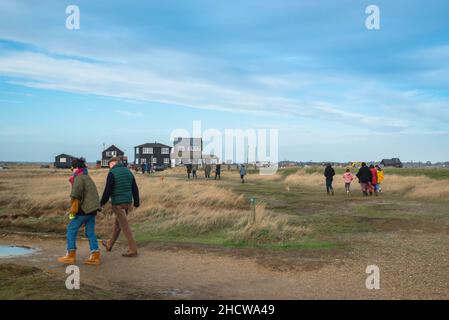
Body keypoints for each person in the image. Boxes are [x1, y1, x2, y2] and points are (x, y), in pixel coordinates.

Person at [58, 158, 101, 265]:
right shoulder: (87, 177)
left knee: (71, 230)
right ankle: (95, 256)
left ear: (75, 168)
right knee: (90, 232)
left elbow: (75, 195)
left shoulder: (79, 178)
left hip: (84, 210)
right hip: (93, 209)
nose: (71, 170)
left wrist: (73, 211)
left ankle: (70, 255)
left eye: (71, 168)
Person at [100, 157, 140, 257]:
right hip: (127, 202)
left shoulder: (112, 173)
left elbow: (107, 190)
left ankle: (133, 249)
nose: (109, 167)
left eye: (109, 165)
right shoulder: (128, 172)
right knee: (118, 225)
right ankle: (109, 244)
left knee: (124, 226)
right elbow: (134, 188)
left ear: (113, 163)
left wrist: (101, 203)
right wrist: (136, 202)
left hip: (118, 204)